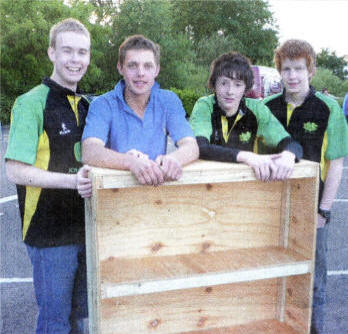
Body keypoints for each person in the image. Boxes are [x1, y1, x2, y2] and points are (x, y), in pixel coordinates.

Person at [5, 18, 92, 334]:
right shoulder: (31, 103)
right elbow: (14, 169)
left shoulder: (86, 105)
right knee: (55, 321)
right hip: (49, 233)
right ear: (51, 53)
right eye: (67, 50)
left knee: (83, 318)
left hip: (88, 229)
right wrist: (72, 181)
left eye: (82, 52)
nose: (75, 59)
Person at [263, 39, 348, 334]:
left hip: (312, 213)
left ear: (310, 70)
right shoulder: (265, 108)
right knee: (272, 279)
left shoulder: (328, 109)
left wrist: (323, 212)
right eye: (286, 69)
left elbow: (335, 163)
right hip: (270, 211)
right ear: (279, 72)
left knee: (312, 283)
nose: (293, 76)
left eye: (299, 68)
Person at [82, 35, 198, 184]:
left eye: (148, 66)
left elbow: (191, 145)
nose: (140, 73)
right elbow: (90, 151)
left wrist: (173, 159)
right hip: (115, 193)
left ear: (157, 70)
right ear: (120, 68)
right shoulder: (103, 104)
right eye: (132, 65)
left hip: (158, 191)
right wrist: (130, 162)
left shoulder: (169, 101)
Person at [189, 52, 302, 182]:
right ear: (214, 84)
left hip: (245, 183)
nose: (230, 91)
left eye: (237, 84)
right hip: (208, 182)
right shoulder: (204, 105)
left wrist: (289, 155)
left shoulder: (257, 109)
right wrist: (247, 157)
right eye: (224, 83)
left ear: (246, 88)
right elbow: (199, 147)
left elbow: (290, 143)